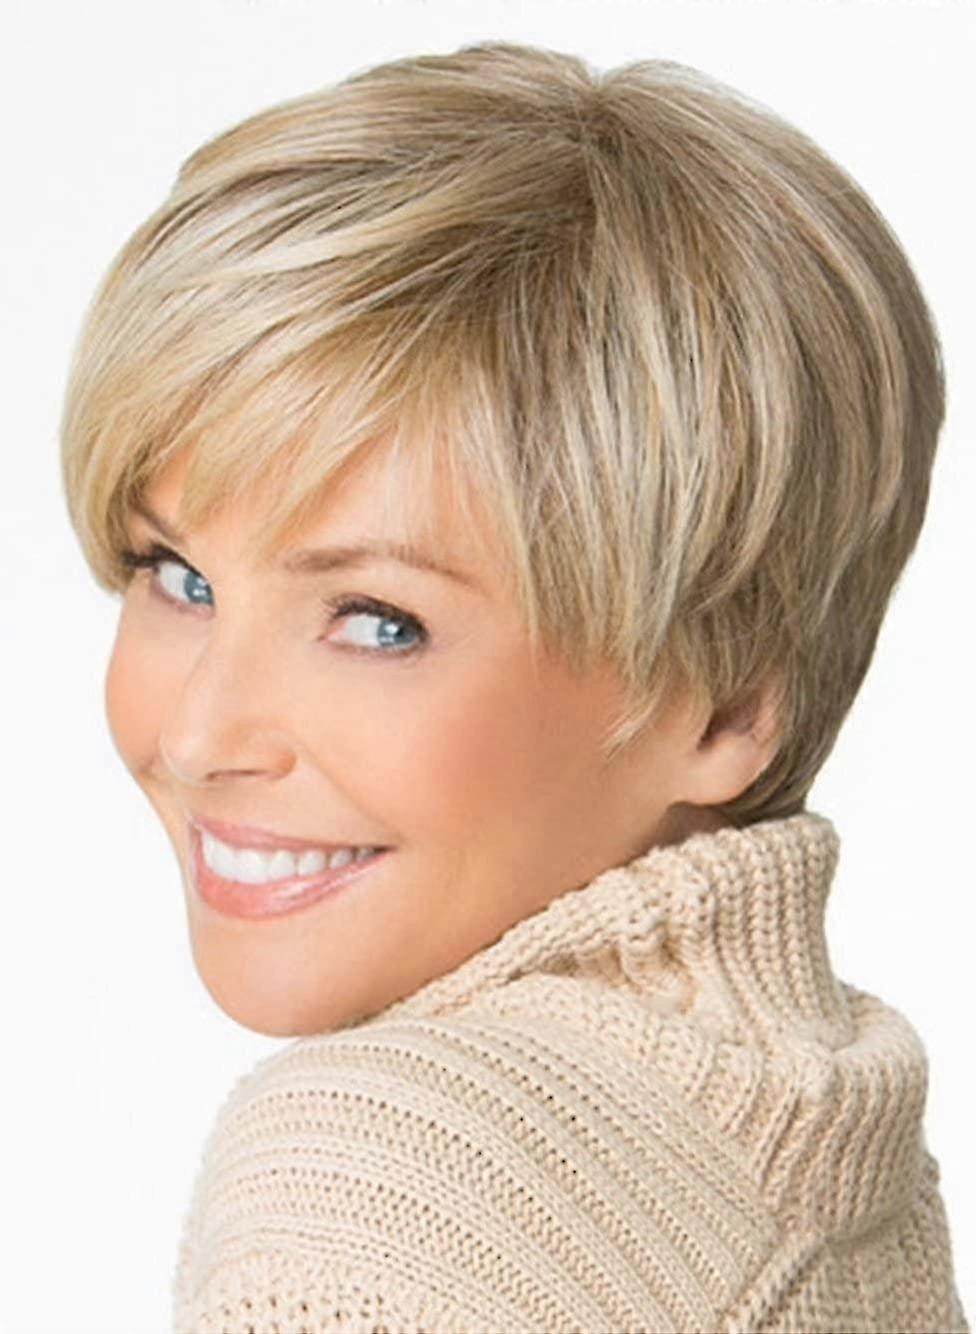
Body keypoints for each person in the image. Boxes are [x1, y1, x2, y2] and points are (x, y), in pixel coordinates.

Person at [59, 39, 968, 1334]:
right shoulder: (831, 1172)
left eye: (377, 621)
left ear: (726, 700)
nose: (200, 733)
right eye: (179, 576)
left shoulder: (386, 1184)